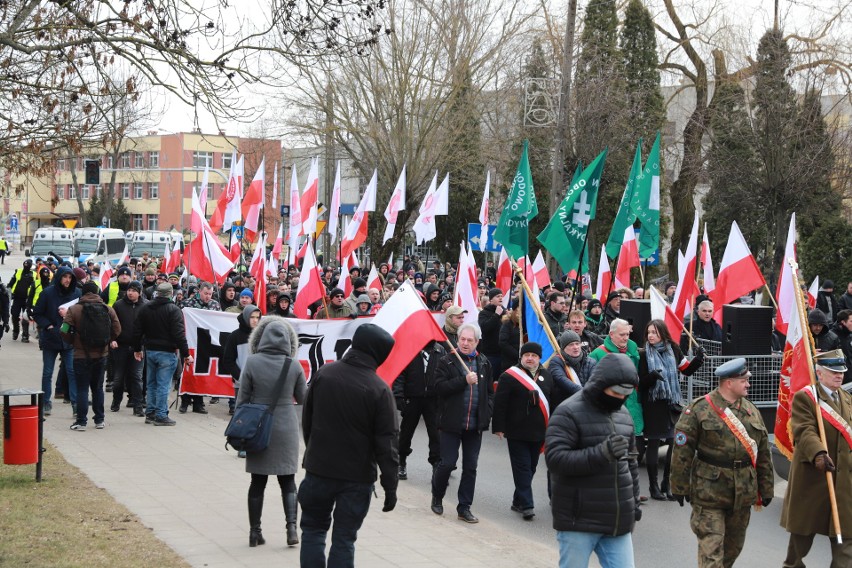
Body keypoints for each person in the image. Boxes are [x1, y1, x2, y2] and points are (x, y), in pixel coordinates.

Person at [299, 324, 398, 568]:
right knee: (344, 539)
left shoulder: (325, 374)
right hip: (356, 478)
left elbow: (307, 419)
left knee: (312, 531)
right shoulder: (379, 389)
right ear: (379, 354)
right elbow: (387, 445)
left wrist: (313, 450)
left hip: (319, 469)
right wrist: (390, 486)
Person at [670, 358, 774, 568]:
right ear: (729, 382)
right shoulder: (698, 410)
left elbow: (762, 453)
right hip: (709, 492)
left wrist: (767, 488)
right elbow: (682, 451)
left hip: (742, 492)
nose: (748, 384)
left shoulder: (752, 411)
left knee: (732, 550)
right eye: (744, 380)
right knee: (712, 553)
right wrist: (679, 487)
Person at [545, 353, 642, 568]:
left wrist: (633, 502)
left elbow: (631, 464)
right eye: (615, 391)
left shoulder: (624, 415)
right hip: (578, 520)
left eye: (626, 393)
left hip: (617, 521)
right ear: (600, 385)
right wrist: (601, 453)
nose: (620, 397)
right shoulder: (568, 412)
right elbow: (555, 459)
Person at [236, 315, 307, 548]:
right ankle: (292, 530)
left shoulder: (252, 362)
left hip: (258, 427)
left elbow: (242, 399)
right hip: (285, 426)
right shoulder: (294, 365)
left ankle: (254, 532)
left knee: (257, 483)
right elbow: (304, 398)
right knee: (288, 482)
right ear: (288, 341)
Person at [780, 349, 852, 566]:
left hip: (844, 484)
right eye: (833, 372)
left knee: (845, 547)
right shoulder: (806, 397)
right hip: (815, 480)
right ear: (819, 374)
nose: (839, 376)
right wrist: (818, 453)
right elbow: (804, 430)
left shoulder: (847, 398)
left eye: (841, 372)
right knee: (799, 547)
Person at [431, 322, 494, 523]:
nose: (465, 343)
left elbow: (489, 393)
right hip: (451, 423)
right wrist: (463, 381)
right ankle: (437, 496)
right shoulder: (447, 361)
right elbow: (439, 388)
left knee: (470, 467)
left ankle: (464, 507)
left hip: (474, 426)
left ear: (477, 342)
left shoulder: (484, 362)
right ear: (457, 340)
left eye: (470, 340)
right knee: (447, 463)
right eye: (462, 339)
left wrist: (487, 412)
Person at [638, 320, 704, 501]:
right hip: (653, 404)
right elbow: (640, 383)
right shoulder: (643, 354)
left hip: (672, 403)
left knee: (674, 444)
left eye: (655, 332)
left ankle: (667, 484)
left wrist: (698, 359)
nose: (651, 336)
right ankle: (653, 486)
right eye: (649, 332)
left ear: (663, 334)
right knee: (653, 443)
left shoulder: (673, 349)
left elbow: (687, 370)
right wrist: (651, 377)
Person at [492, 342, 553, 520]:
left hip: (538, 432)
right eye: (527, 355)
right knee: (522, 468)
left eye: (534, 356)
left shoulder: (547, 376)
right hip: (517, 431)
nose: (530, 358)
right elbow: (500, 404)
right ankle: (527, 505)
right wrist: (499, 427)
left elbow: (552, 402)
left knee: (531, 467)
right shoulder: (509, 376)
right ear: (521, 356)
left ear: (539, 358)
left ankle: (518, 500)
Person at [62, 281, 121, 431]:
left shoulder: (74, 309)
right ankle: (99, 420)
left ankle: (81, 421)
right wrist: (107, 341)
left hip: (80, 355)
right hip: (102, 354)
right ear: (97, 292)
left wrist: (74, 342)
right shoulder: (107, 309)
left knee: (82, 389)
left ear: (83, 293)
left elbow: (64, 330)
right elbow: (117, 329)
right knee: (98, 388)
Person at [132, 282, 193, 426]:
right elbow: (179, 334)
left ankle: (151, 413)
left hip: (150, 351)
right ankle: (160, 415)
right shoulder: (174, 310)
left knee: (151, 384)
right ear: (171, 293)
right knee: (163, 385)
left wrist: (137, 349)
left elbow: (137, 330)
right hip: (167, 352)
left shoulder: (146, 308)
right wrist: (186, 354)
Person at [33, 265, 80, 416]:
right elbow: (37, 313)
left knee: (72, 372)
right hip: (51, 338)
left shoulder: (76, 293)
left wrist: (70, 316)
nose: (67, 280)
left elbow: (81, 314)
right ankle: (46, 402)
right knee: (47, 372)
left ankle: (75, 404)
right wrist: (48, 326)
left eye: (70, 277)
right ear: (59, 277)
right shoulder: (47, 293)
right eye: (65, 277)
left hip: (69, 339)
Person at [392, 341, 443, 480]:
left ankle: (436, 465)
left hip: (433, 400)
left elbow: (445, 374)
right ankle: (401, 461)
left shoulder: (440, 350)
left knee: (436, 434)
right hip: (412, 398)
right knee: (406, 433)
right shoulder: (410, 349)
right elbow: (400, 373)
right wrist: (398, 396)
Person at [110, 280, 148, 416]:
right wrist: (112, 339)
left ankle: (138, 406)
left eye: (134, 290)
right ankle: (116, 401)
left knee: (137, 377)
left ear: (140, 292)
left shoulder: (146, 306)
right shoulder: (119, 305)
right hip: (121, 346)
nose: (131, 293)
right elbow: (112, 323)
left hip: (139, 348)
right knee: (119, 377)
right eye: (129, 290)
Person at [221, 305, 262, 417]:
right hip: (242, 385)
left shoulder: (262, 336)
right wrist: (240, 377)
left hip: (260, 384)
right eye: (252, 317)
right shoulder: (235, 336)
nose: (255, 320)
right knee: (241, 416)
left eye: (257, 317)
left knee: (257, 416)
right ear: (245, 317)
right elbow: (228, 360)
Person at [546, 331, 593, 409]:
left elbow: (594, 381)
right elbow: (561, 379)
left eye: (577, 343)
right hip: (564, 407)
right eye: (571, 345)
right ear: (564, 348)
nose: (575, 347)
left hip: (586, 406)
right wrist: (584, 393)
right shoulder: (556, 362)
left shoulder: (590, 362)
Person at [478, 288, 505, 374]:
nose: (500, 298)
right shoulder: (484, 313)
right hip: (490, 354)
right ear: (491, 300)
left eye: (501, 296)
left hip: (504, 353)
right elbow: (485, 328)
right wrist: (496, 315)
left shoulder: (505, 312)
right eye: (497, 296)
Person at [9, 258, 36, 342]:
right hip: (17, 298)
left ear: (31, 266)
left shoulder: (34, 274)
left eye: (28, 265)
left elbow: (36, 287)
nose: (26, 266)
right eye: (25, 264)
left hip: (27, 300)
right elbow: (11, 282)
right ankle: (16, 331)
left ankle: (25, 335)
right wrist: (7, 290)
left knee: (26, 317)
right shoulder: (18, 271)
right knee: (14, 315)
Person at [831, 309, 852, 384]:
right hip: (839, 381)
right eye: (851, 321)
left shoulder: (849, 335)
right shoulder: (832, 337)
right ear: (843, 322)